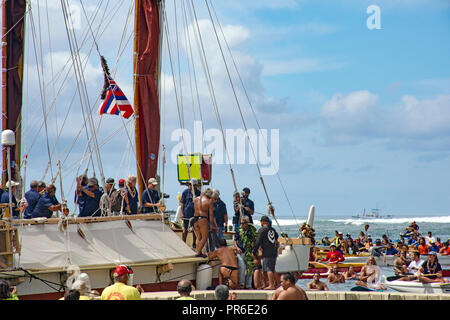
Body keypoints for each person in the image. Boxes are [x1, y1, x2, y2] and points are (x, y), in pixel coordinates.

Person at [252, 215, 279, 290]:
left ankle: (271, 285)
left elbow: (258, 241)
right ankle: (275, 284)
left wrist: (254, 249)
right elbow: (276, 238)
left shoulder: (262, 230)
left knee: (269, 269)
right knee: (272, 268)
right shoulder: (273, 229)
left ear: (263, 222)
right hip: (273, 251)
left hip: (267, 252)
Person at [233, 215, 258, 289]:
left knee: (250, 268)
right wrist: (237, 248)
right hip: (240, 252)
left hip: (249, 252)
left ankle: (248, 285)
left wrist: (253, 248)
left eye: (243, 223)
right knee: (242, 267)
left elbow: (254, 239)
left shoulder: (251, 230)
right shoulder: (239, 230)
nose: (242, 225)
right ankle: (241, 283)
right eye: (241, 223)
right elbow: (235, 240)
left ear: (247, 223)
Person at [192, 188, 217, 257]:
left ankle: (198, 251)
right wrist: (212, 225)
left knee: (199, 237)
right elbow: (211, 214)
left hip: (195, 219)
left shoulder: (196, 199)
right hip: (202, 219)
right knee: (205, 237)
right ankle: (198, 252)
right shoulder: (209, 201)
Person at [180, 178, 200, 244]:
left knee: (195, 230)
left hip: (195, 214)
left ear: (195, 185)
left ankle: (194, 244)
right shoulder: (185, 192)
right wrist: (182, 213)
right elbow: (182, 203)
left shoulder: (198, 193)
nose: (190, 186)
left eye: (191, 184)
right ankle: (183, 243)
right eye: (189, 184)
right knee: (185, 230)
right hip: (186, 214)